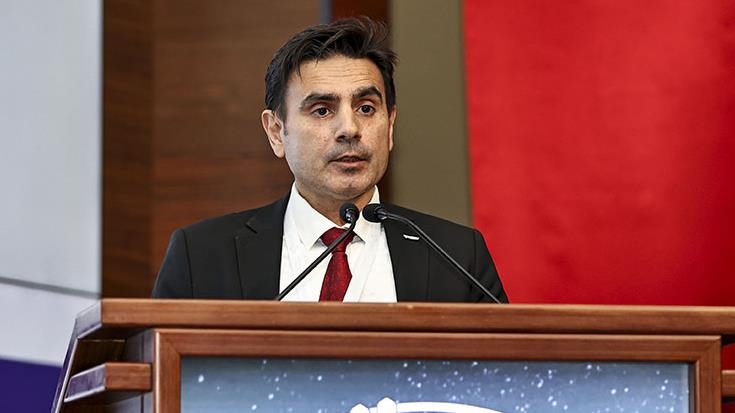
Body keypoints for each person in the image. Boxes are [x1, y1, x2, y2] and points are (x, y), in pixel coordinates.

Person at [152, 17, 507, 303]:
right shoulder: (201, 256)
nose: (349, 129)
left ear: (390, 126)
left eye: (366, 108)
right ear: (276, 132)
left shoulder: (457, 257)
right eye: (322, 110)